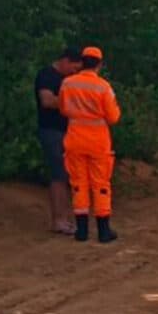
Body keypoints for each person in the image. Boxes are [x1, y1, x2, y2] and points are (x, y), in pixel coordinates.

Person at [57, 46, 121, 243]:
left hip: (75, 138)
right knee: (100, 184)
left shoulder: (67, 83)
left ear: (82, 62)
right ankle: (103, 230)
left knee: (78, 184)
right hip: (98, 141)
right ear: (99, 64)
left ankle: (82, 231)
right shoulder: (103, 87)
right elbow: (113, 117)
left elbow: (63, 109)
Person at [34, 47, 83, 233]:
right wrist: (72, 103)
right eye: (73, 67)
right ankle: (59, 220)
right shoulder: (47, 75)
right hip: (52, 131)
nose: (75, 72)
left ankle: (65, 218)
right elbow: (47, 101)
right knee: (59, 175)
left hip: (68, 131)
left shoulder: (67, 79)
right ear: (65, 60)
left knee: (67, 175)